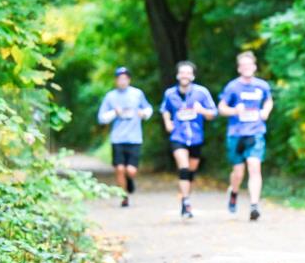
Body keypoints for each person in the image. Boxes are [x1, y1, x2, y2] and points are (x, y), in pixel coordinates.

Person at [218, 51, 274, 221]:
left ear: (254, 67)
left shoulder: (262, 86)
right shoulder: (232, 87)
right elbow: (221, 108)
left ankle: (254, 205)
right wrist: (234, 110)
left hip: (256, 132)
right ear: (239, 69)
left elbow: (268, 100)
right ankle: (233, 192)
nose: (247, 68)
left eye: (249, 65)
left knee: (254, 166)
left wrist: (266, 111)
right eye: (243, 65)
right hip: (236, 134)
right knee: (238, 173)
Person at [159, 61, 217, 218]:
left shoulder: (202, 92)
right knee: (184, 167)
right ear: (178, 75)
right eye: (182, 72)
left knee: (191, 171)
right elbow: (165, 109)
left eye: (188, 73)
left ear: (193, 76)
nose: (185, 75)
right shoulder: (170, 93)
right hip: (178, 136)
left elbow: (213, 113)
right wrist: (168, 122)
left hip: (196, 137)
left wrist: (202, 110)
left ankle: (186, 197)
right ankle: (185, 201)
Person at [96, 67, 153, 207]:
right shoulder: (110, 97)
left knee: (131, 170)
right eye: (119, 79)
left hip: (135, 138)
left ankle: (129, 180)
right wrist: (114, 113)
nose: (122, 81)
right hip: (117, 138)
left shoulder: (137, 94)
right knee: (119, 169)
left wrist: (144, 114)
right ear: (116, 80)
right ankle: (124, 196)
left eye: (125, 78)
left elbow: (148, 109)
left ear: (129, 80)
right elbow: (101, 118)